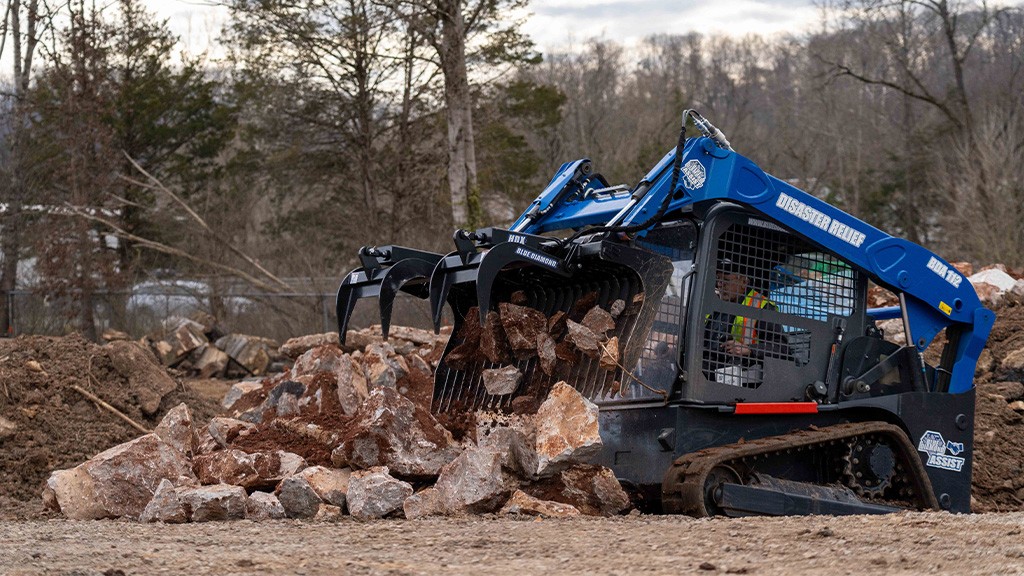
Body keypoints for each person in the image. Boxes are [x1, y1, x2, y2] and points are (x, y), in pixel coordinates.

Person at [704, 258, 788, 387]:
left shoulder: (760, 306)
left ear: (744, 282)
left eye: (726, 280)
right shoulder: (713, 308)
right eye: (718, 280)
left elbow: (782, 348)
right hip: (707, 375)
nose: (720, 284)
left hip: (745, 383)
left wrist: (749, 349)